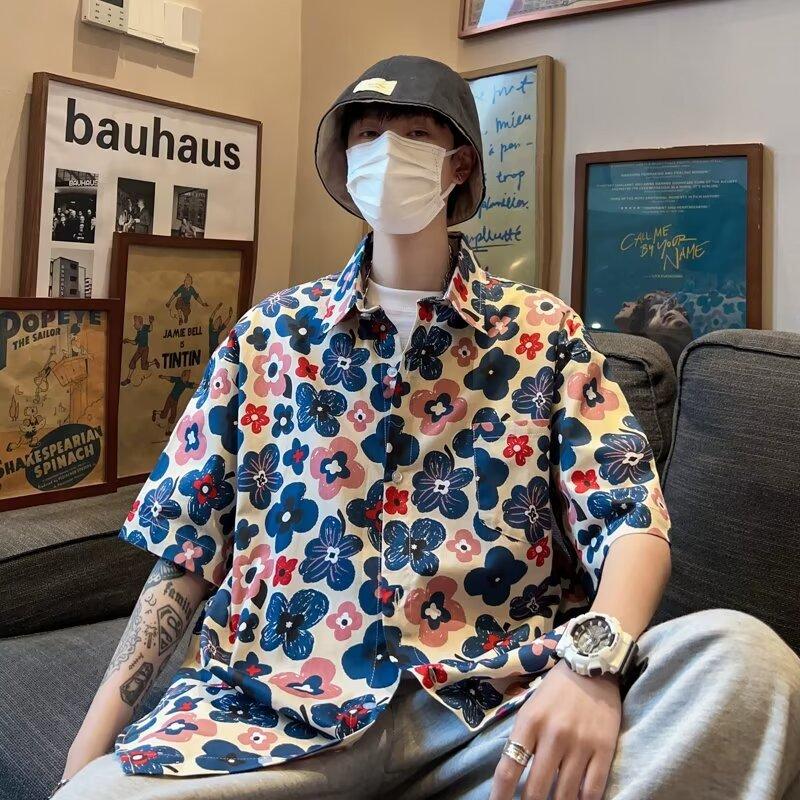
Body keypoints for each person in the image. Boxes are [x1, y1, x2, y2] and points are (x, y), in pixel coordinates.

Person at [53, 55, 800, 800]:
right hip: (273, 722)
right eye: (367, 134)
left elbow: (632, 519)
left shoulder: (543, 334)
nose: (386, 152)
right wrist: (85, 757)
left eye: (414, 133)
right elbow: (185, 552)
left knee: (746, 664)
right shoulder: (266, 338)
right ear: (346, 158)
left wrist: (590, 667)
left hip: (498, 721)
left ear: (459, 164)